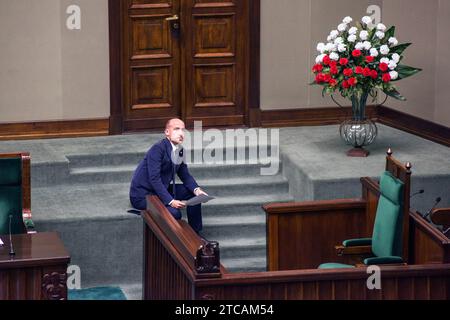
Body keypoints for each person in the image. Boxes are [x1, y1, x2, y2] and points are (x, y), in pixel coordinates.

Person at [129, 118, 207, 233]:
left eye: (183, 130)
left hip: (160, 190)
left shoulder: (180, 150)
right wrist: (171, 201)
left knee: (194, 196)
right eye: (176, 129)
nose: (181, 133)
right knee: (175, 213)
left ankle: (196, 233)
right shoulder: (157, 149)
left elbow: (185, 175)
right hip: (144, 195)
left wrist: (197, 190)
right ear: (167, 132)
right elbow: (154, 179)